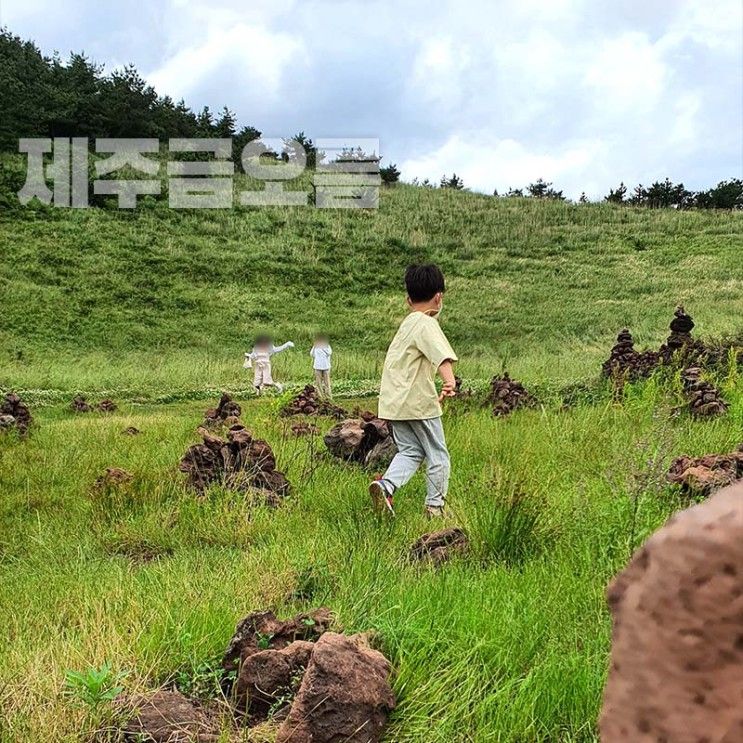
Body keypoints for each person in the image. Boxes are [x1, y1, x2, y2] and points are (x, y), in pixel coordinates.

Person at [369, 264, 457, 518]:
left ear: (408, 299)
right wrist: (449, 381)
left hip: (394, 404)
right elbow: (442, 357)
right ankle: (435, 507)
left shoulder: (406, 325)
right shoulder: (426, 323)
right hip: (417, 404)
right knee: (438, 454)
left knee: (411, 451)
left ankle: (385, 486)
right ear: (438, 297)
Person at [310, 333, 333, 398]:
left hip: (326, 367)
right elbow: (312, 354)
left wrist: (323, 347)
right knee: (318, 383)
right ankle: (320, 397)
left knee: (327, 383)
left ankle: (328, 397)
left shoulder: (327, 346)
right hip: (317, 366)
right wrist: (314, 347)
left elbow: (329, 353)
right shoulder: (315, 346)